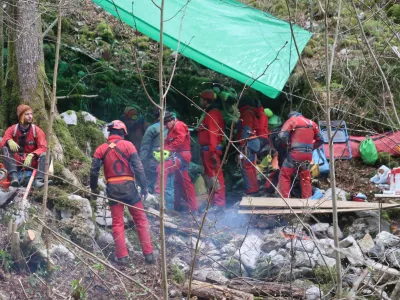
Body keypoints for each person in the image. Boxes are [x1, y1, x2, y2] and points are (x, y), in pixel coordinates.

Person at [90, 120, 154, 264]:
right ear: (122, 133)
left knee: (117, 223)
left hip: (112, 189)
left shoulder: (101, 149)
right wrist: (144, 188)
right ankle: (149, 255)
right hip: (129, 188)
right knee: (141, 220)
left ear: (110, 133)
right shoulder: (129, 145)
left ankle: (122, 257)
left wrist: (93, 187)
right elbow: (138, 168)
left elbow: (94, 171)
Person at [154, 112, 198, 214]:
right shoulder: (171, 129)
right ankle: (185, 208)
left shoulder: (179, 126)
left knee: (162, 168)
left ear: (172, 120)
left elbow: (179, 141)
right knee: (181, 182)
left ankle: (158, 195)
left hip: (181, 156)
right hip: (178, 156)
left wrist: (167, 149)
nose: (165, 126)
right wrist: (162, 148)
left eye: (166, 123)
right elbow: (167, 142)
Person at [0, 105, 49, 189]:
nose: (30, 116)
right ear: (20, 116)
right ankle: (14, 178)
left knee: (46, 154)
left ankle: (39, 180)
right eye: (27, 114)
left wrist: (32, 154)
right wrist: (8, 140)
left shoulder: (36, 130)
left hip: (31, 162)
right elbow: (3, 142)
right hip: (16, 161)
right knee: (5, 149)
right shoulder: (12, 129)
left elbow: (44, 147)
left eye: (31, 114)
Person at [278, 111, 323, 198]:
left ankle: (285, 201)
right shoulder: (312, 123)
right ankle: (307, 201)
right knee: (305, 177)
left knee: (285, 174)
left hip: (295, 155)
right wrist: (311, 148)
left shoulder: (293, 120)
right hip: (308, 156)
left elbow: (282, 136)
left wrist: (286, 146)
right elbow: (321, 140)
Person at [140, 108, 175, 208]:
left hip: (154, 161)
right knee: (169, 185)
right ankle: (169, 209)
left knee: (152, 184)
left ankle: (152, 208)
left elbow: (145, 147)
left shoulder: (152, 128)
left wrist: (141, 161)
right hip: (170, 159)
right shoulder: (173, 128)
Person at [198, 90, 226, 208]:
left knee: (215, 176)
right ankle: (214, 202)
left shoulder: (213, 113)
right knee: (210, 177)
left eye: (201, 99)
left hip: (210, 150)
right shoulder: (210, 113)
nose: (200, 102)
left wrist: (213, 152)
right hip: (208, 149)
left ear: (205, 100)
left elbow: (213, 133)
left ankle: (219, 204)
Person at [237, 98, 261, 196]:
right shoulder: (251, 112)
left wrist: (243, 145)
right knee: (250, 166)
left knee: (246, 166)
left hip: (249, 142)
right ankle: (254, 188)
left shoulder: (246, 113)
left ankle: (251, 189)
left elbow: (247, 129)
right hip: (253, 141)